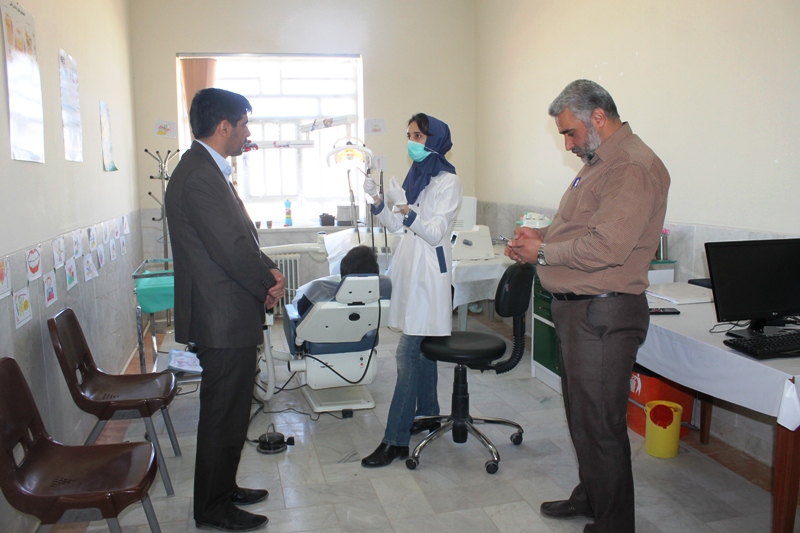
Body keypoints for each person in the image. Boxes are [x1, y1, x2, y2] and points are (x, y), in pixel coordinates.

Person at [505, 80, 670, 533]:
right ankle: (592, 497)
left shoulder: (631, 166)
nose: (568, 143)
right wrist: (541, 238)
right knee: (583, 417)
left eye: (570, 133)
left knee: (600, 424)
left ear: (598, 117)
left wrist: (542, 253)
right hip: (582, 311)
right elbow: (580, 228)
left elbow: (607, 247)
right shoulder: (599, 164)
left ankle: (615, 524)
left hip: (603, 313)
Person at [165, 88, 285, 532]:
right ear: (224, 126)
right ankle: (212, 506)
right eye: (244, 124)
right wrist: (266, 284)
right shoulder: (198, 175)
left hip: (229, 311)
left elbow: (242, 237)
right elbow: (230, 249)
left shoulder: (209, 169)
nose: (247, 133)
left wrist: (268, 268)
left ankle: (224, 487)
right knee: (221, 413)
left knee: (234, 410)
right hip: (221, 317)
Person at [360, 113, 463, 467]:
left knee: (407, 354)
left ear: (435, 139)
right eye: (409, 135)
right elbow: (397, 226)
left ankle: (395, 440)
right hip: (410, 271)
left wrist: (405, 208)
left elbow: (433, 232)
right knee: (422, 351)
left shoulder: (448, 182)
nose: (411, 142)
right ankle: (429, 413)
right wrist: (378, 202)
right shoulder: (418, 176)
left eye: (418, 135)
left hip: (429, 277)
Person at [292, 245, 391, 317]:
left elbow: (302, 313)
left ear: (343, 267)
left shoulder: (319, 288)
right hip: (365, 335)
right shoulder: (385, 285)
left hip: (323, 334)